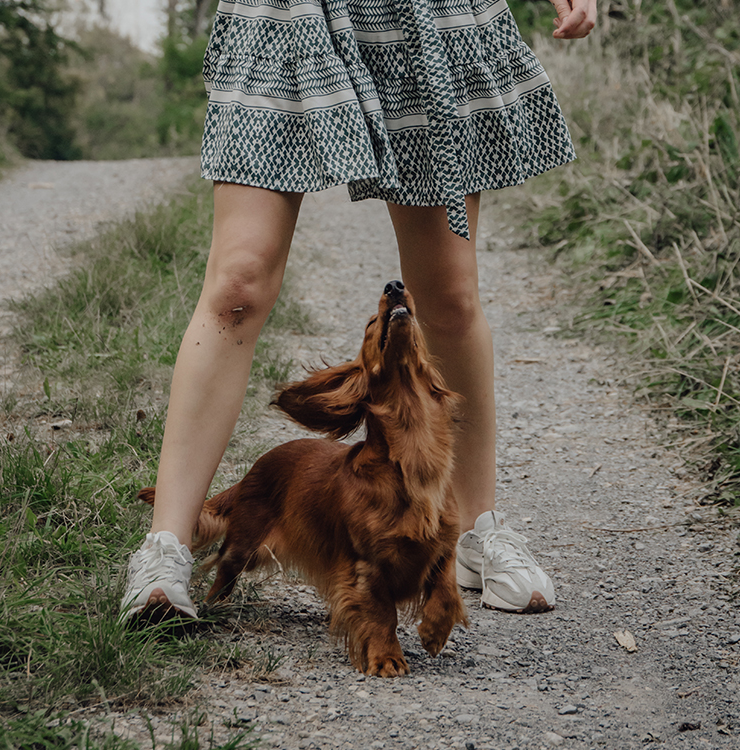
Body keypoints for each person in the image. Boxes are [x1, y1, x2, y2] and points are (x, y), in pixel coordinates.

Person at [121, 0, 596, 623]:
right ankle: (166, 547)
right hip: (284, 16)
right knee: (238, 285)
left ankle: (477, 532)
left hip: (418, 18)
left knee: (449, 298)